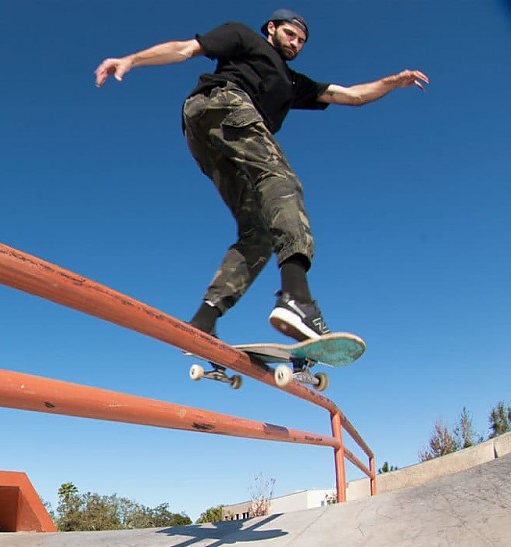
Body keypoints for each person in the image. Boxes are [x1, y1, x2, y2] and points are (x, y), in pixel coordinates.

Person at [94, 9, 429, 341]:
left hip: (208, 138)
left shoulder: (295, 83)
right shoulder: (245, 37)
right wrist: (132, 59)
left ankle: (204, 319)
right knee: (281, 182)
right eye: (289, 34)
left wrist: (392, 82)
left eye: (301, 41)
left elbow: (352, 96)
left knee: (259, 232)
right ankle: (297, 297)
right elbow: (186, 48)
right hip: (222, 103)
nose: (295, 43)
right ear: (271, 29)